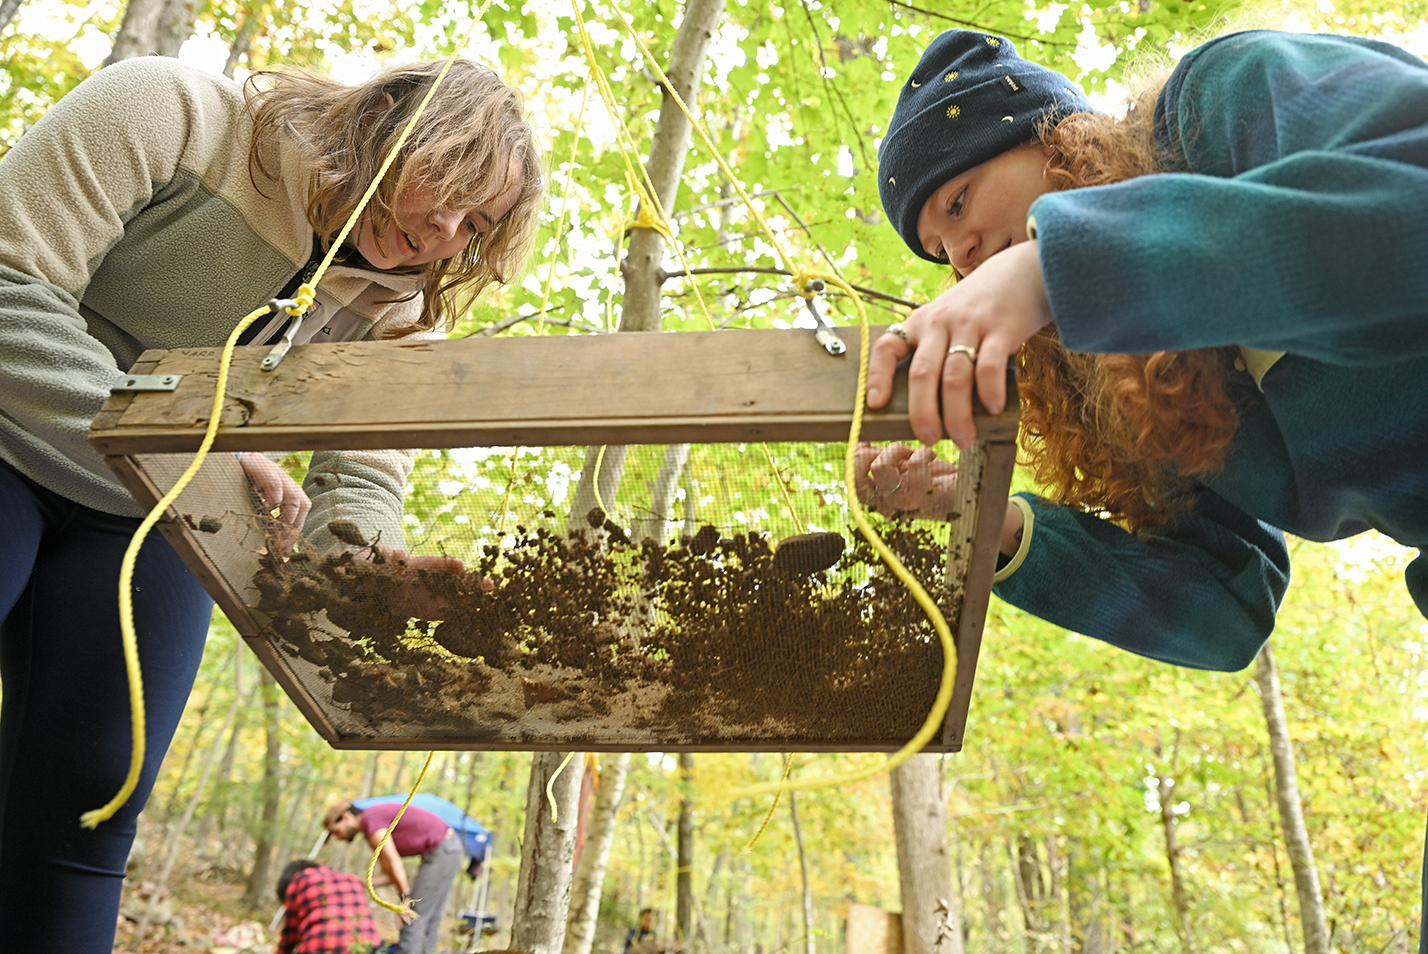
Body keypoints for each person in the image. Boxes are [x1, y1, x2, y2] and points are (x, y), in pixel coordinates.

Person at [857, 25, 1428, 946]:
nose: (962, 256)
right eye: (940, 253)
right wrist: (1004, 528)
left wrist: (1062, 264)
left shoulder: (1228, 101)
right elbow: (1227, 609)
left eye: (961, 202)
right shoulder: (1140, 379)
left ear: (1051, 136)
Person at [0, 53, 542, 952]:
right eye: (439, 183)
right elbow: (8, 284)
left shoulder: (403, 319)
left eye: (476, 221)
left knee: (91, 806)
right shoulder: (171, 113)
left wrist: (373, 573)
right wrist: (194, 446)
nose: (444, 225)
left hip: (161, 519)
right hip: (13, 428)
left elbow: (359, 482)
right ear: (376, 122)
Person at [323, 798, 464, 954]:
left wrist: (405, 900)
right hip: (449, 849)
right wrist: (353, 880)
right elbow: (389, 876)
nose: (339, 837)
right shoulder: (372, 825)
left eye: (336, 831)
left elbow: (394, 862)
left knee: (412, 917)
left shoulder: (371, 820)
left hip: (442, 850)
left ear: (347, 816)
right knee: (426, 919)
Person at [276, 858, 383, 954]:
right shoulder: (351, 879)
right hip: (367, 947)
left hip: (321, 947)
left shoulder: (298, 880)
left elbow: (289, 938)